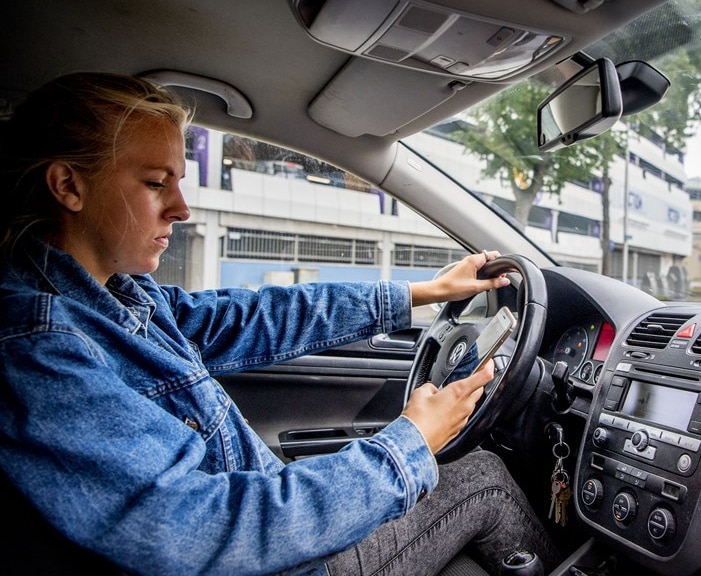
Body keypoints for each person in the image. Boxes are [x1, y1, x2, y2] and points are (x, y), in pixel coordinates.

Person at [0, 72, 560, 576]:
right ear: (68, 186)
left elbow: (253, 316)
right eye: (155, 183)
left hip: (272, 537)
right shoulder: (39, 347)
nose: (182, 208)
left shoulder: (118, 295)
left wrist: (423, 293)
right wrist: (408, 443)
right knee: (481, 477)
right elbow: (196, 531)